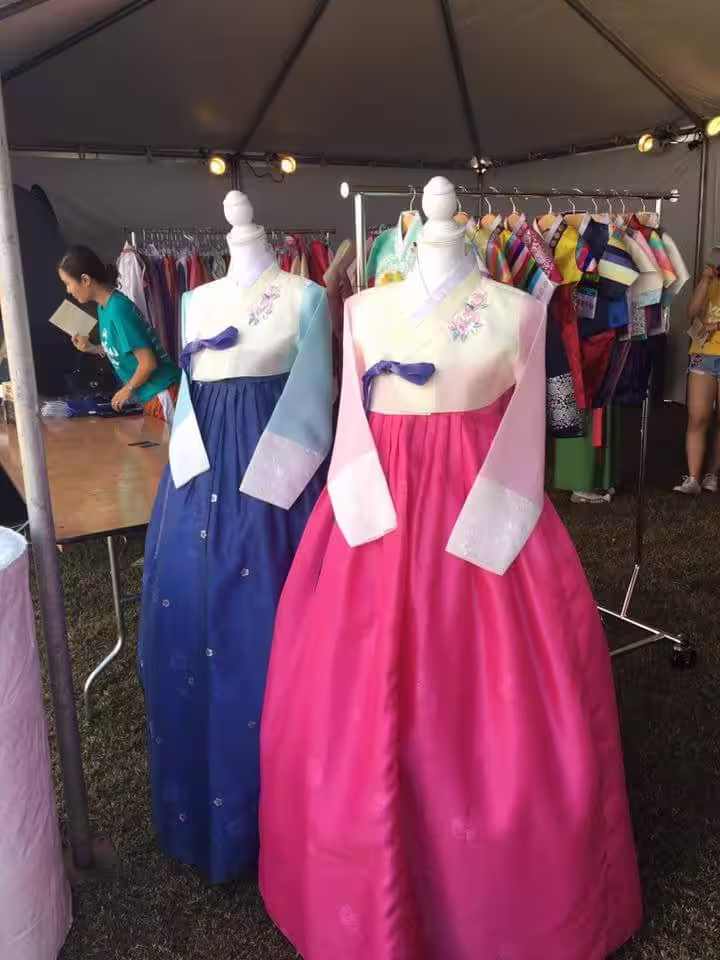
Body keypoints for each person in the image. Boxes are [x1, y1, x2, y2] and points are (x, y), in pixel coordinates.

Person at [58, 245, 180, 422]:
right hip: (151, 396)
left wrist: (127, 389)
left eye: (68, 283)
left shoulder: (118, 309)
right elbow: (122, 349)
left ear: (85, 279)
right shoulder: (103, 308)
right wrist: (91, 348)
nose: (68, 290)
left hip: (162, 392)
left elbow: (148, 363)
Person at [675, 259, 720, 494]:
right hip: (704, 355)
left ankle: (713, 474)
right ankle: (693, 478)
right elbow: (691, 312)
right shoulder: (710, 282)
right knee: (698, 417)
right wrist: (705, 280)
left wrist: (717, 326)